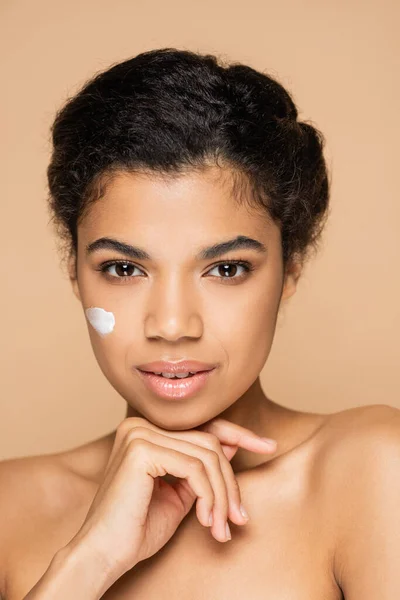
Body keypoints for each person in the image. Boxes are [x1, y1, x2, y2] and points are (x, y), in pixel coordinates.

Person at [0, 47, 399, 600]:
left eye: (227, 268)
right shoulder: (10, 509)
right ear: (75, 273)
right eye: (123, 267)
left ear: (290, 271)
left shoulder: (371, 470)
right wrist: (89, 558)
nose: (171, 324)